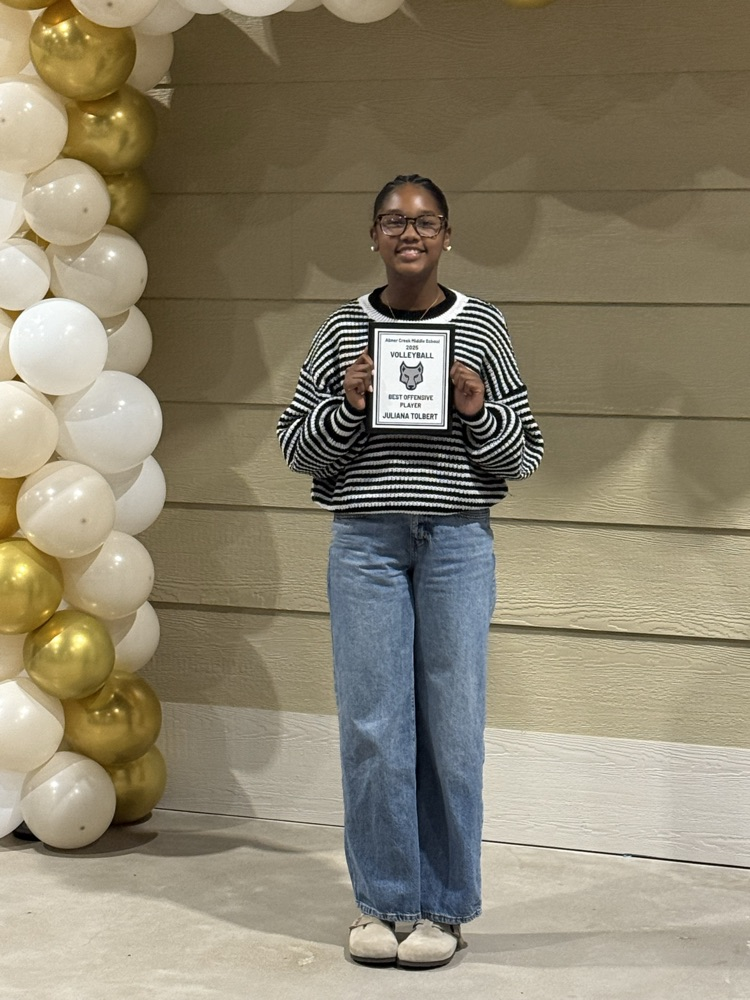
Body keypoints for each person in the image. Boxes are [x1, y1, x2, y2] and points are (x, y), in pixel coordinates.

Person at [277, 174, 544, 969]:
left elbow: (522, 453)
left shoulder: (483, 328)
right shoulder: (339, 333)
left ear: (447, 236)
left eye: (424, 222)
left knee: (453, 731)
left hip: (458, 543)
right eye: (393, 221)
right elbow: (298, 449)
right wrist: (350, 402)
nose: (409, 233)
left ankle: (446, 908)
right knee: (372, 728)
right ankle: (384, 903)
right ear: (373, 236)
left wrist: (474, 411)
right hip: (365, 544)